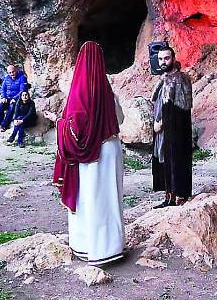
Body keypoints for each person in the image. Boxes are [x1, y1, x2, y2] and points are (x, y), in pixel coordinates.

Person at [45, 42, 125, 266]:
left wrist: (58, 123)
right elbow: (120, 120)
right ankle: (111, 248)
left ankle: (87, 247)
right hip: (110, 149)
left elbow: (75, 128)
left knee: (90, 199)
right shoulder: (108, 91)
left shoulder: (79, 92)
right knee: (109, 199)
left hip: (91, 156)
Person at [151, 46, 193, 208]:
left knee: (176, 159)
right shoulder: (163, 78)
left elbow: (182, 107)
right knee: (164, 161)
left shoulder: (181, 79)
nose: (163, 62)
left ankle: (179, 196)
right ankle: (168, 196)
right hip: (162, 129)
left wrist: (163, 122)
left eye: (166, 58)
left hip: (175, 129)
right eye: (160, 59)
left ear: (173, 58)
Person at [0, 65, 28, 131]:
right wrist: (3, 97)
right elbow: (3, 89)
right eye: (10, 73)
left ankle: (4, 125)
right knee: (0, 107)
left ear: (16, 70)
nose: (12, 74)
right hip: (8, 98)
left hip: (17, 99)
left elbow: (23, 90)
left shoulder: (22, 78)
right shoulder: (7, 78)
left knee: (11, 107)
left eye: (13, 72)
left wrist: (15, 98)